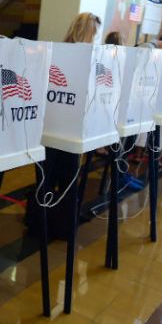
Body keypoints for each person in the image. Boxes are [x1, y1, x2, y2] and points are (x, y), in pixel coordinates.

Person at [25, 12, 102, 240]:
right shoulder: (83, 57)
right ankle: (59, 225)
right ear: (88, 32)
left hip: (48, 128)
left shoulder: (55, 52)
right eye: (95, 33)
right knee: (66, 181)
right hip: (67, 130)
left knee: (45, 179)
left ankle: (40, 224)